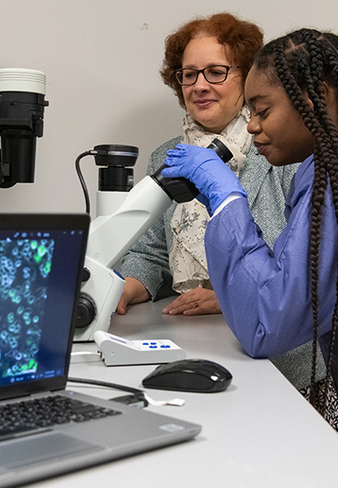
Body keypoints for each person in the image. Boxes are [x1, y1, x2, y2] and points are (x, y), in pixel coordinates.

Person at [161, 28, 338, 485]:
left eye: (263, 111)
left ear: (316, 96)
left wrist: (226, 200)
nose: (251, 125)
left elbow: (268, 322)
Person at [117, 13, 325, 394]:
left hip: (282, 358)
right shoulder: (168, 156)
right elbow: (151, 253)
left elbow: (296, 266)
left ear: (246, 77)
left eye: (216, 72)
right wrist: (120, 290)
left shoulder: (282, 147)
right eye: (189, 74)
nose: (200, 85)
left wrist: (227, 295)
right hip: (196, 342)